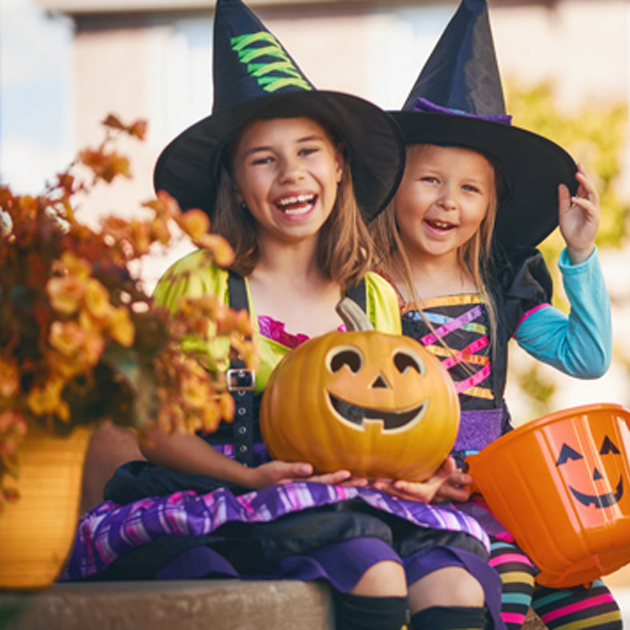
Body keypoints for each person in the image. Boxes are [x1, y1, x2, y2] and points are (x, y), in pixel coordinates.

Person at [60, 3, 504, 630]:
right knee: (374, 571)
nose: (292, 173)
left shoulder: (370, 297)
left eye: (308, 151)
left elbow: (394, 411)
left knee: (455, 588)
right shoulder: (200, 285)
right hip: (230, 489)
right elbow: (157, 432)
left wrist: (426, 473)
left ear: (340, 164)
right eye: (263, 159)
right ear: (236, 184)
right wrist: (246, 474)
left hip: (359, 499)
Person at [369, 2, 617, 629]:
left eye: (469, 189)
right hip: (424, 487)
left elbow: (585, 358)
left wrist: (580, 255)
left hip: (510, 484)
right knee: (505, 588)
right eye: (429, 180)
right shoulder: (366, 289)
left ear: (490, 206)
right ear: (394, 183)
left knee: (593, 610)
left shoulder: (499, 282)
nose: (447, 202)